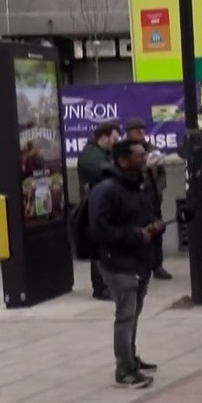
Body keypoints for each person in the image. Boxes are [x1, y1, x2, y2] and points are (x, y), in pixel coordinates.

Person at [88, 139, 163, 389]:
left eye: (145, 155)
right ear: (122, 160)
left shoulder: (138, 185)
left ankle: (131, 357)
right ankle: (124, 369)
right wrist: (136, 234)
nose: (144, 159)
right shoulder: (107, 189)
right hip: (117, 262)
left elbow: (145, 214)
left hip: (139, 259)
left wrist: (155, 225)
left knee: (134, 313)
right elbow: (100, 229)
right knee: (126, 315)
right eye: (139, 156)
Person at [124, 118, 172, 281]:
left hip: (152, 197)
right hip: (136, 196)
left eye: (143, 130)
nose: (141, 133)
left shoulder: (151, 149)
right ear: (129, 133)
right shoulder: (124, 151)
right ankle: (137, 265)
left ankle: (157, 265)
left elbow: (162, 174)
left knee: (157, 229)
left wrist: (159, 189)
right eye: (138, 131)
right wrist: (145, 167)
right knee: (137, 231)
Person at [78, 122, 121, 300]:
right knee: (100, 247)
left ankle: (109, 283)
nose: (116, 143)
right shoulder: (91, 156)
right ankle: (100, 286)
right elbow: (108, 172)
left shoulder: (105, 153)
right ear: (103, 137)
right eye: (114, 139)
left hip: (107, 206)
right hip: (95, 208)